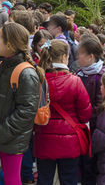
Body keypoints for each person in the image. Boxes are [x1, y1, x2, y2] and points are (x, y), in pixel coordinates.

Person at [0, 23, 41, 185]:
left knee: (12, 179)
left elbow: (27, 110)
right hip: (4, 134)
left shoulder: (26, 73)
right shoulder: (5, 64)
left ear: (10, 44)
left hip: (11, 136)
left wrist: (4, 130)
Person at [34, 39, 92, 185]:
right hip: (69, 142)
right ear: (63, 57)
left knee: (44, 179)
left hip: (43, 138)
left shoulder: (39, 81)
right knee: (69, 179)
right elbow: (85, 114)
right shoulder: (75, 81)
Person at [76, 36, 105, 185]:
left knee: (90, 167)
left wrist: (84, 118)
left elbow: (99, 106)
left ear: (90, 56)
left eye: (80, 53)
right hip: (81, 128)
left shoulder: (101, 76)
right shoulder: (79, 72)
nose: (76, 56)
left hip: (92, 129)